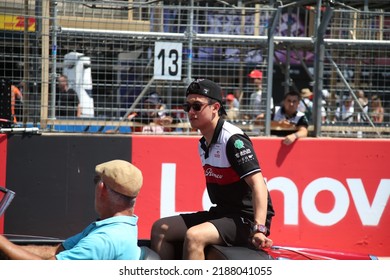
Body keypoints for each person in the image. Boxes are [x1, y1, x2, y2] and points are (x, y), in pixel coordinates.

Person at [150, 78, 275, 260]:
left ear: (215, 107)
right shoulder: (203, 143)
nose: (190, 112)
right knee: (160, 229)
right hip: (223, 213)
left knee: (195, 236)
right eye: (188, 107)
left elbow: (259, 185)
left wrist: (259, 228)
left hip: (246, 218)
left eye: (197, 106)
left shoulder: (234, 140)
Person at [0, 159, 143, 260]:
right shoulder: (121, 226)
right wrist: (6, 247)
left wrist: (2, 243)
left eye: (96, 180)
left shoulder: (102, 241)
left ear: (102, 189)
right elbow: (56, 251)